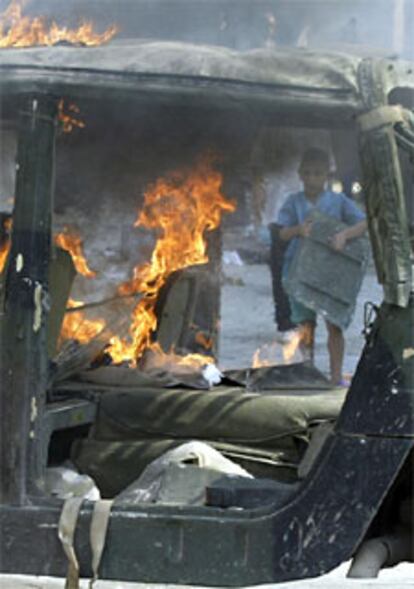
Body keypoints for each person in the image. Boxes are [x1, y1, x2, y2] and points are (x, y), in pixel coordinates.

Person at [277, 148, 367, 386]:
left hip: (331, 275)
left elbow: (363, 223)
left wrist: (344, 235)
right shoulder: (293, 202)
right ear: (300, 174)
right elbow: (281, 233)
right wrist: (299, 230)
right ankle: (308, 373)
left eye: (318, 173)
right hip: (301, 273)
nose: (312, 178)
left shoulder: (338, 202)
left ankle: (336, 378)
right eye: (307, 173)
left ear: (327, 175)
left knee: (334, 326)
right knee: (306, 326)